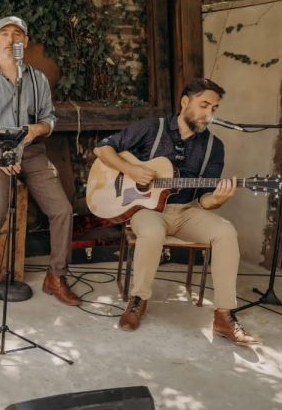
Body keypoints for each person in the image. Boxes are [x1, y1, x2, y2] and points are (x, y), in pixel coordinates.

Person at [93, 77, 259, 346]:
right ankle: (138, 299)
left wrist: (217, 199)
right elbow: (102, 147)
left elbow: (205, 199)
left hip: (186, 211)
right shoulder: (152, 128)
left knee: (226, 232)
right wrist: (131, 170)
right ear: (184, 102)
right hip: (146, 209)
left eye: (214, 108)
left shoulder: (213, 147)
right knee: (151, 232)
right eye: (204, 105)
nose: (209, 113)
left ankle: (224, 315)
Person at [0, 16, 81, 316]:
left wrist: (38, 129)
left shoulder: (37, 80)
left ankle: (56, 276)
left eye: (18, 34)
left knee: (62, 210)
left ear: (26, 42)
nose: (11, 39)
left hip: (30, 151)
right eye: (5, 34)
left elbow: (49, 119)